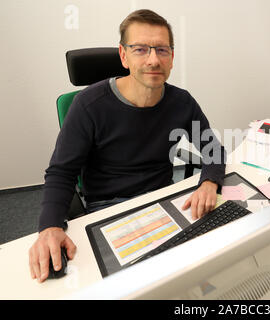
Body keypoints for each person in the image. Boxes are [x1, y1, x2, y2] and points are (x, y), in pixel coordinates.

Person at [29, 9, 226, 283]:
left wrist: (208, 183)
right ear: (123, 56)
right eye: (140, 50)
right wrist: (49, 227)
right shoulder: (88, 105)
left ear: (172, 57)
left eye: (162, 50)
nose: (153, 60)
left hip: (161, 200)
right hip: (109, 209)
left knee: (208, 264)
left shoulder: (182, 102)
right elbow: (61, 173)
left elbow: (212, 149)